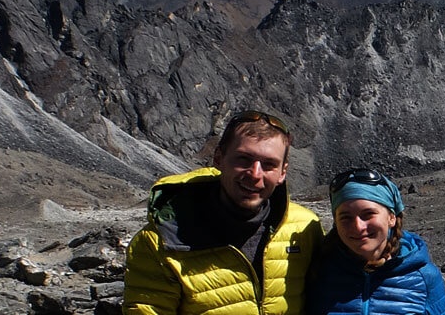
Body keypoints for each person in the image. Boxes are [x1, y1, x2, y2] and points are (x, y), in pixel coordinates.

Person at [125, 110, 322, 315]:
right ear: (218, 158)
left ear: (283, 172)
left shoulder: (304, 229)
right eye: (244, 159)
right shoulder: (160, 242)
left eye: (269, 165)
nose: (255, 174)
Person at [305, 168, 445, 315]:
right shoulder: (319, 272)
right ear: (335, 222)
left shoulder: (424, 277)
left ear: (392, 218)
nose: (358, 227)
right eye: (346, 217)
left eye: (368, 214)